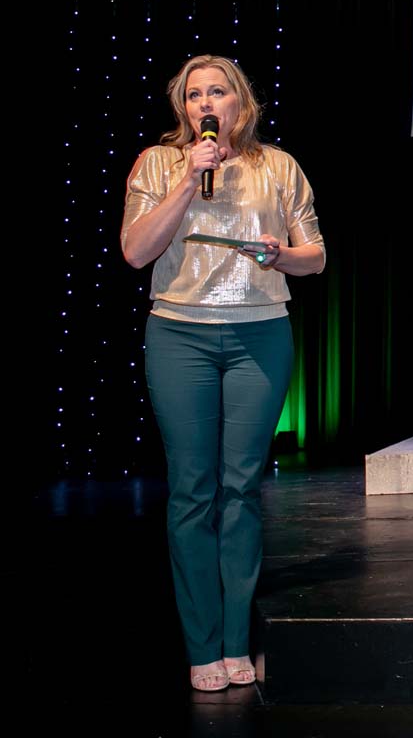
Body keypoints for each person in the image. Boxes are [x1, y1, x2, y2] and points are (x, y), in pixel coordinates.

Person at [121, 55, 326, 692]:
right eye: (194, 95)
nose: (206, 103)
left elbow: (315, 257)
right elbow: (135, 252)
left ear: (241, 101)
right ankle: (201, 646)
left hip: (259, 332)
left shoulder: (279, 167)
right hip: (179, 331)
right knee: (192, 491)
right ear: (183, 108)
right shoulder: (158, 163)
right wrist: (188, 179)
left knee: (240, 490)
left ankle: (237, 640)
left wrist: (281, 254)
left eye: (218, 91)